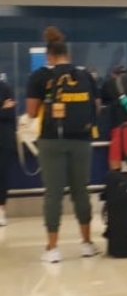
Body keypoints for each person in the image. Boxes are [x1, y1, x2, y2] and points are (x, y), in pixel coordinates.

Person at [25, 27, 102, 263]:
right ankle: (87, 244)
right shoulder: (85, 75)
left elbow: (30, 111)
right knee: (81, 191)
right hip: (81, 140)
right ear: (67, 54)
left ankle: (52, 248)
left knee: (53, 194)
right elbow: (96, 108)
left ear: (49, 55)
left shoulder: (39, 76)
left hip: (50, 141)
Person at [0, 77, 15, 227]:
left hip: (3, 140)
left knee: (2, 175)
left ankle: (1, 210)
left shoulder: (5, 88)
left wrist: (4, 109)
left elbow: (9, 113)